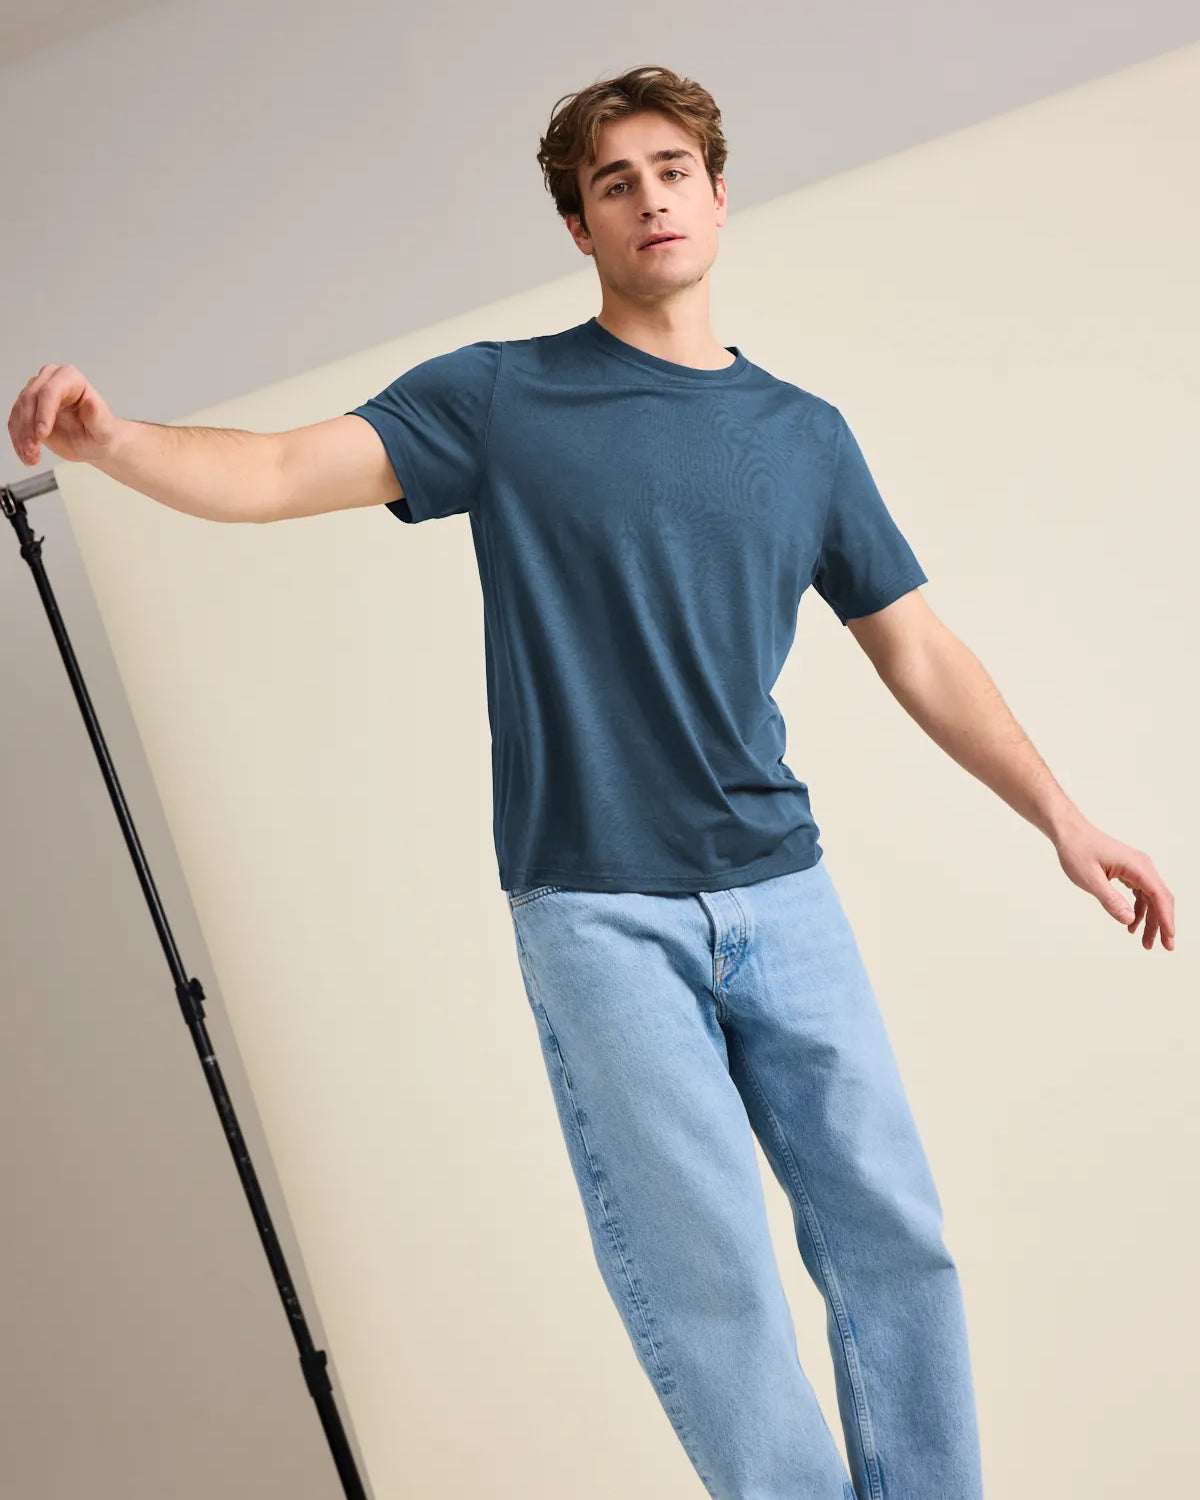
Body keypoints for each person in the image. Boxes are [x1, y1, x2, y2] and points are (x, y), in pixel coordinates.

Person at [8, 61, 1175, 1500]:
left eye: (672, 169)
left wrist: (1063, 818)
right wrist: (115, 442)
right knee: (714, 1289)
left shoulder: (802, 434)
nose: (650, 198)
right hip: (597, 910)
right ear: (582, 227)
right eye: (614, 183)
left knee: (897, 1238)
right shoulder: (502, 398)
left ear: (718, 193)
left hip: (780, 889)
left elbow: (919, 650)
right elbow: (280, 470)